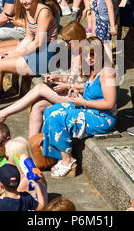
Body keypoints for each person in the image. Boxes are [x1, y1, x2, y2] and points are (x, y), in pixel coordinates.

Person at [0, 21, 87, 138]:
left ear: (77, 37)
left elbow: (90, 85)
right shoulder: (75, 53)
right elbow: (74, 77)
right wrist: (58, 77)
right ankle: (33, 145)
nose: (66, 45)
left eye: (68, 41)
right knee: (37, 106)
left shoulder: (88, 56)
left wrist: (67, 86)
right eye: (65, 41)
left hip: (79, 99)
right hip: (70, 93)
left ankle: (2, 114)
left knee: (40, 88)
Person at [42, 36, 118, 178]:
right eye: (86, 54)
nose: (89, 58)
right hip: (88, 108)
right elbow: (90, 86)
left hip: (101, 117)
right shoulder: (92, 69)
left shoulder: (107, 72)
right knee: (49, 111)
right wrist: (71, 87)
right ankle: (60, 154)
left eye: (93, 54)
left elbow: (110, 103)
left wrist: (83, 103)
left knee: (57, 117)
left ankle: (68, 160)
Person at [4, 136, 48, 204]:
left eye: (7, 157)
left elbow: (6, 202)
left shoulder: (26, 180)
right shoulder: (36, 172)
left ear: (15, 159)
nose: (6, 160)